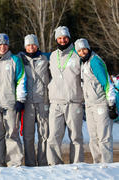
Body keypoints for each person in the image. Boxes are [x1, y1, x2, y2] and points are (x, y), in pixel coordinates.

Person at [75, 38, 117, 163]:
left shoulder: (95, 62)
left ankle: (106, 165)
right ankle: (97, 164)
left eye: (84, 49)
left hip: (101, 104)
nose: (82, 52)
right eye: (79, 50)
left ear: (88, 48)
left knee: (103, 137)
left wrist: (111, 104)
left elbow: (107, 84)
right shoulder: (83, 63)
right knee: (93, 137)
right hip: (89, 105)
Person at [47, 26, 84, 165]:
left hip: (73, 101)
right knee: (53, 137)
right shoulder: (52, 56)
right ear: (56, 39)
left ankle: (77, 164)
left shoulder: (77, 55)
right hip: (56, 102)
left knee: (75, 137)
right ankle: (54, 165)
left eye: (65, 37)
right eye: (60, 38)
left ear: (69, 38)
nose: (62, 40)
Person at [0, 33, 27, 167]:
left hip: (11, 104)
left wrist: (20, 99)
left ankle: (14, 163)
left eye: (5, 44)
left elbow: (21, 79)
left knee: (12, 134)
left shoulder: (15, 60)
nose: (2, 47)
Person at [18, 34, 50, 166]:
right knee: (28, 134)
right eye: (28, 45)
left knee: (44, 133)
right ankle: (30, 162)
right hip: (28, 102)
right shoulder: (20, 59)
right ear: (25, 46)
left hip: (43, 100)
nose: (31, 47)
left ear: (37, 45)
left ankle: (43, 161)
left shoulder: (46, 58)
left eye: (33, 44)